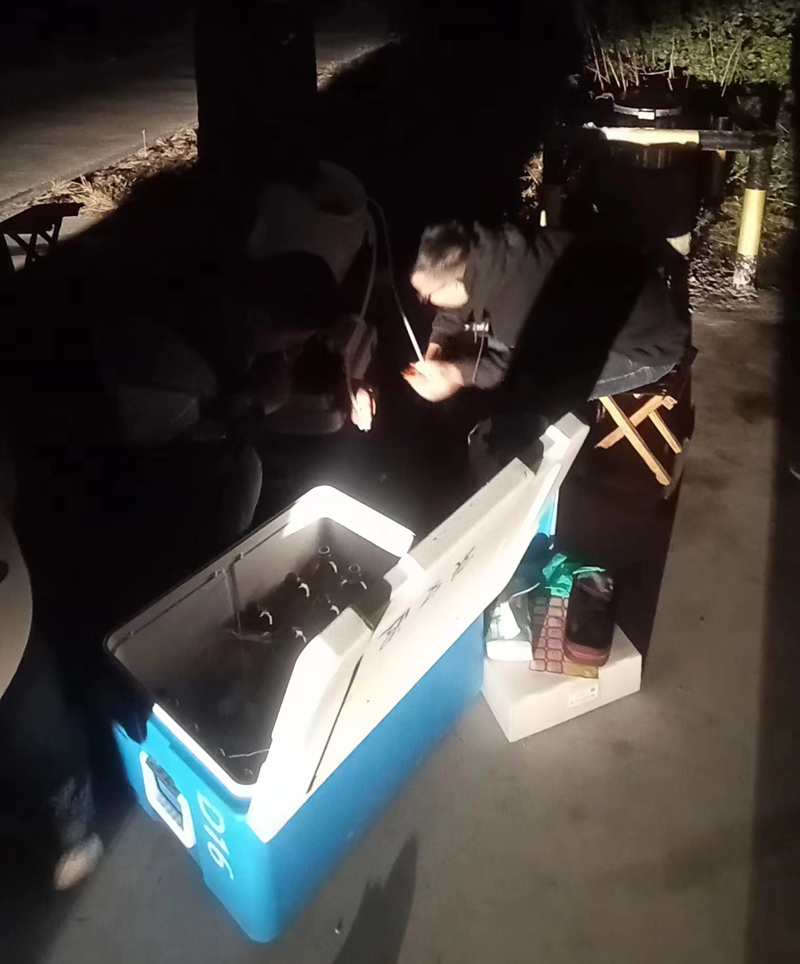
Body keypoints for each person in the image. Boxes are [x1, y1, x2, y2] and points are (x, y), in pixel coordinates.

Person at [402, 220, 688, 474]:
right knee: (494, 353)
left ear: (456, 284)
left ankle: (550, 467)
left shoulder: (520, 300)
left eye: (425, 296)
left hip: (647, 348)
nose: (424, 301)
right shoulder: (486, 254)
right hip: (616, 301)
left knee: (532, 396)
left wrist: (454, 375)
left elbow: (514, 374)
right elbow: (453, 309)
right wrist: (436, 349)